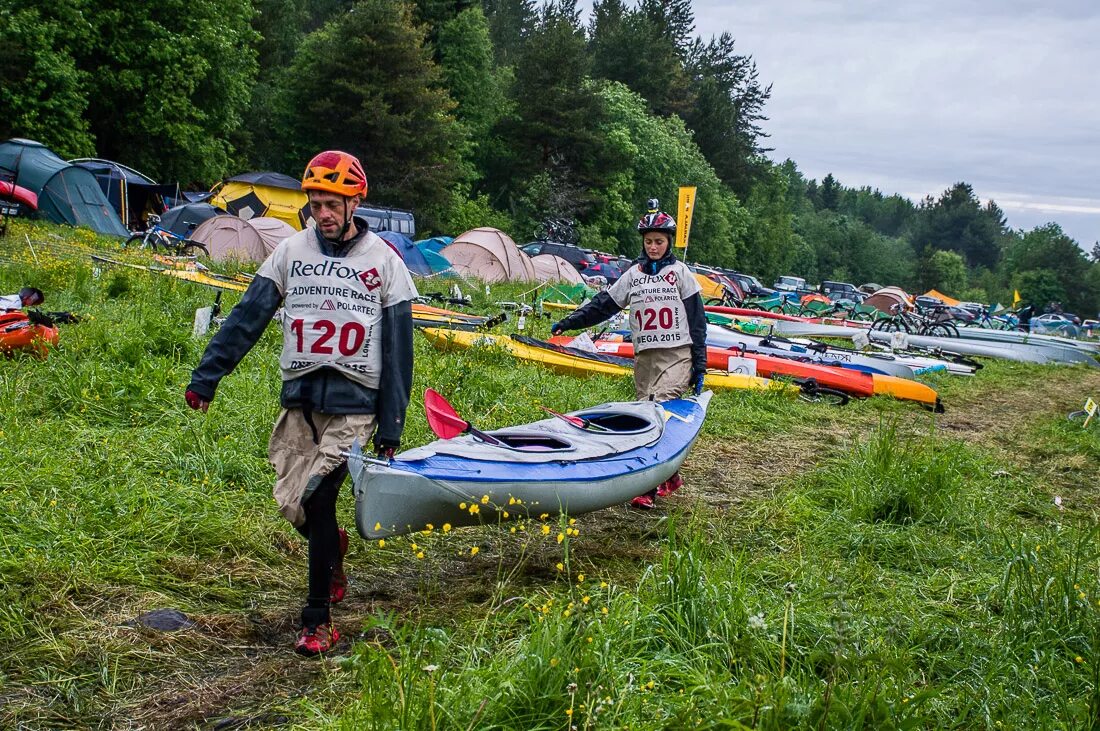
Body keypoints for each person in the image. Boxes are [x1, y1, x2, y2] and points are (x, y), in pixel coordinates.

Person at [185, 150, 417, 656]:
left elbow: (400, 353)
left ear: (354, 202)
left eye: (331, 203)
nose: (321, 212)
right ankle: (331, 550)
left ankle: (317, 620)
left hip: (356, 405)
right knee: (295, 506)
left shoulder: (385, 263)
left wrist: (391, 426)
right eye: (314, 202)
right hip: (301, 401)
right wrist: (207, 378)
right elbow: (247, 317)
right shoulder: (289, 253)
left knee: (317, 497)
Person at [550, 205, 707, 509]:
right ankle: (669, 475)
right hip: (645, 357)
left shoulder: (681, 274)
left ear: (668, 242)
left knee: (659, 410)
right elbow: (604, 304)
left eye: (659, 242)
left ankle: (647, 487)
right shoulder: (633, 275)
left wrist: (700, 364)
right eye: (649, 242)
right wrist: (570, 321)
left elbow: (698, 321)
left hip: (677, 354)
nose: (653, 247)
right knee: (644, 414)